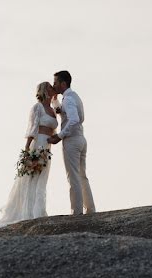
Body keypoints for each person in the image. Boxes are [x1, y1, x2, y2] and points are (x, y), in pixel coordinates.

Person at [0, 82, 60, 228]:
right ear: (45, 90)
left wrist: (56, 99)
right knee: (32, 178)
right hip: (38, 144)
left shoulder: (52, 109)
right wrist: (27, 150)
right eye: (51, 87)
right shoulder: (37, 107)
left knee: (42, 179)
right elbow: (32, 129)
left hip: (47, 147)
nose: (54, 89)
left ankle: (39, 211)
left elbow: (60, 113)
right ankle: (29, 213)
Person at [48, 70, 95, 215]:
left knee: (73, 176)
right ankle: (90, 209)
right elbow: (63, 112)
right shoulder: (74, 97)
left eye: (55, 82)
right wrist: (55, 100)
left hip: (72, 141)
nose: (53, 85)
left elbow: (73, 119)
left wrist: (59, 136)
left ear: (63, 83)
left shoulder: (68, 99)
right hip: (81, 139)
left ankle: (77, 211)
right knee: (82, 175)